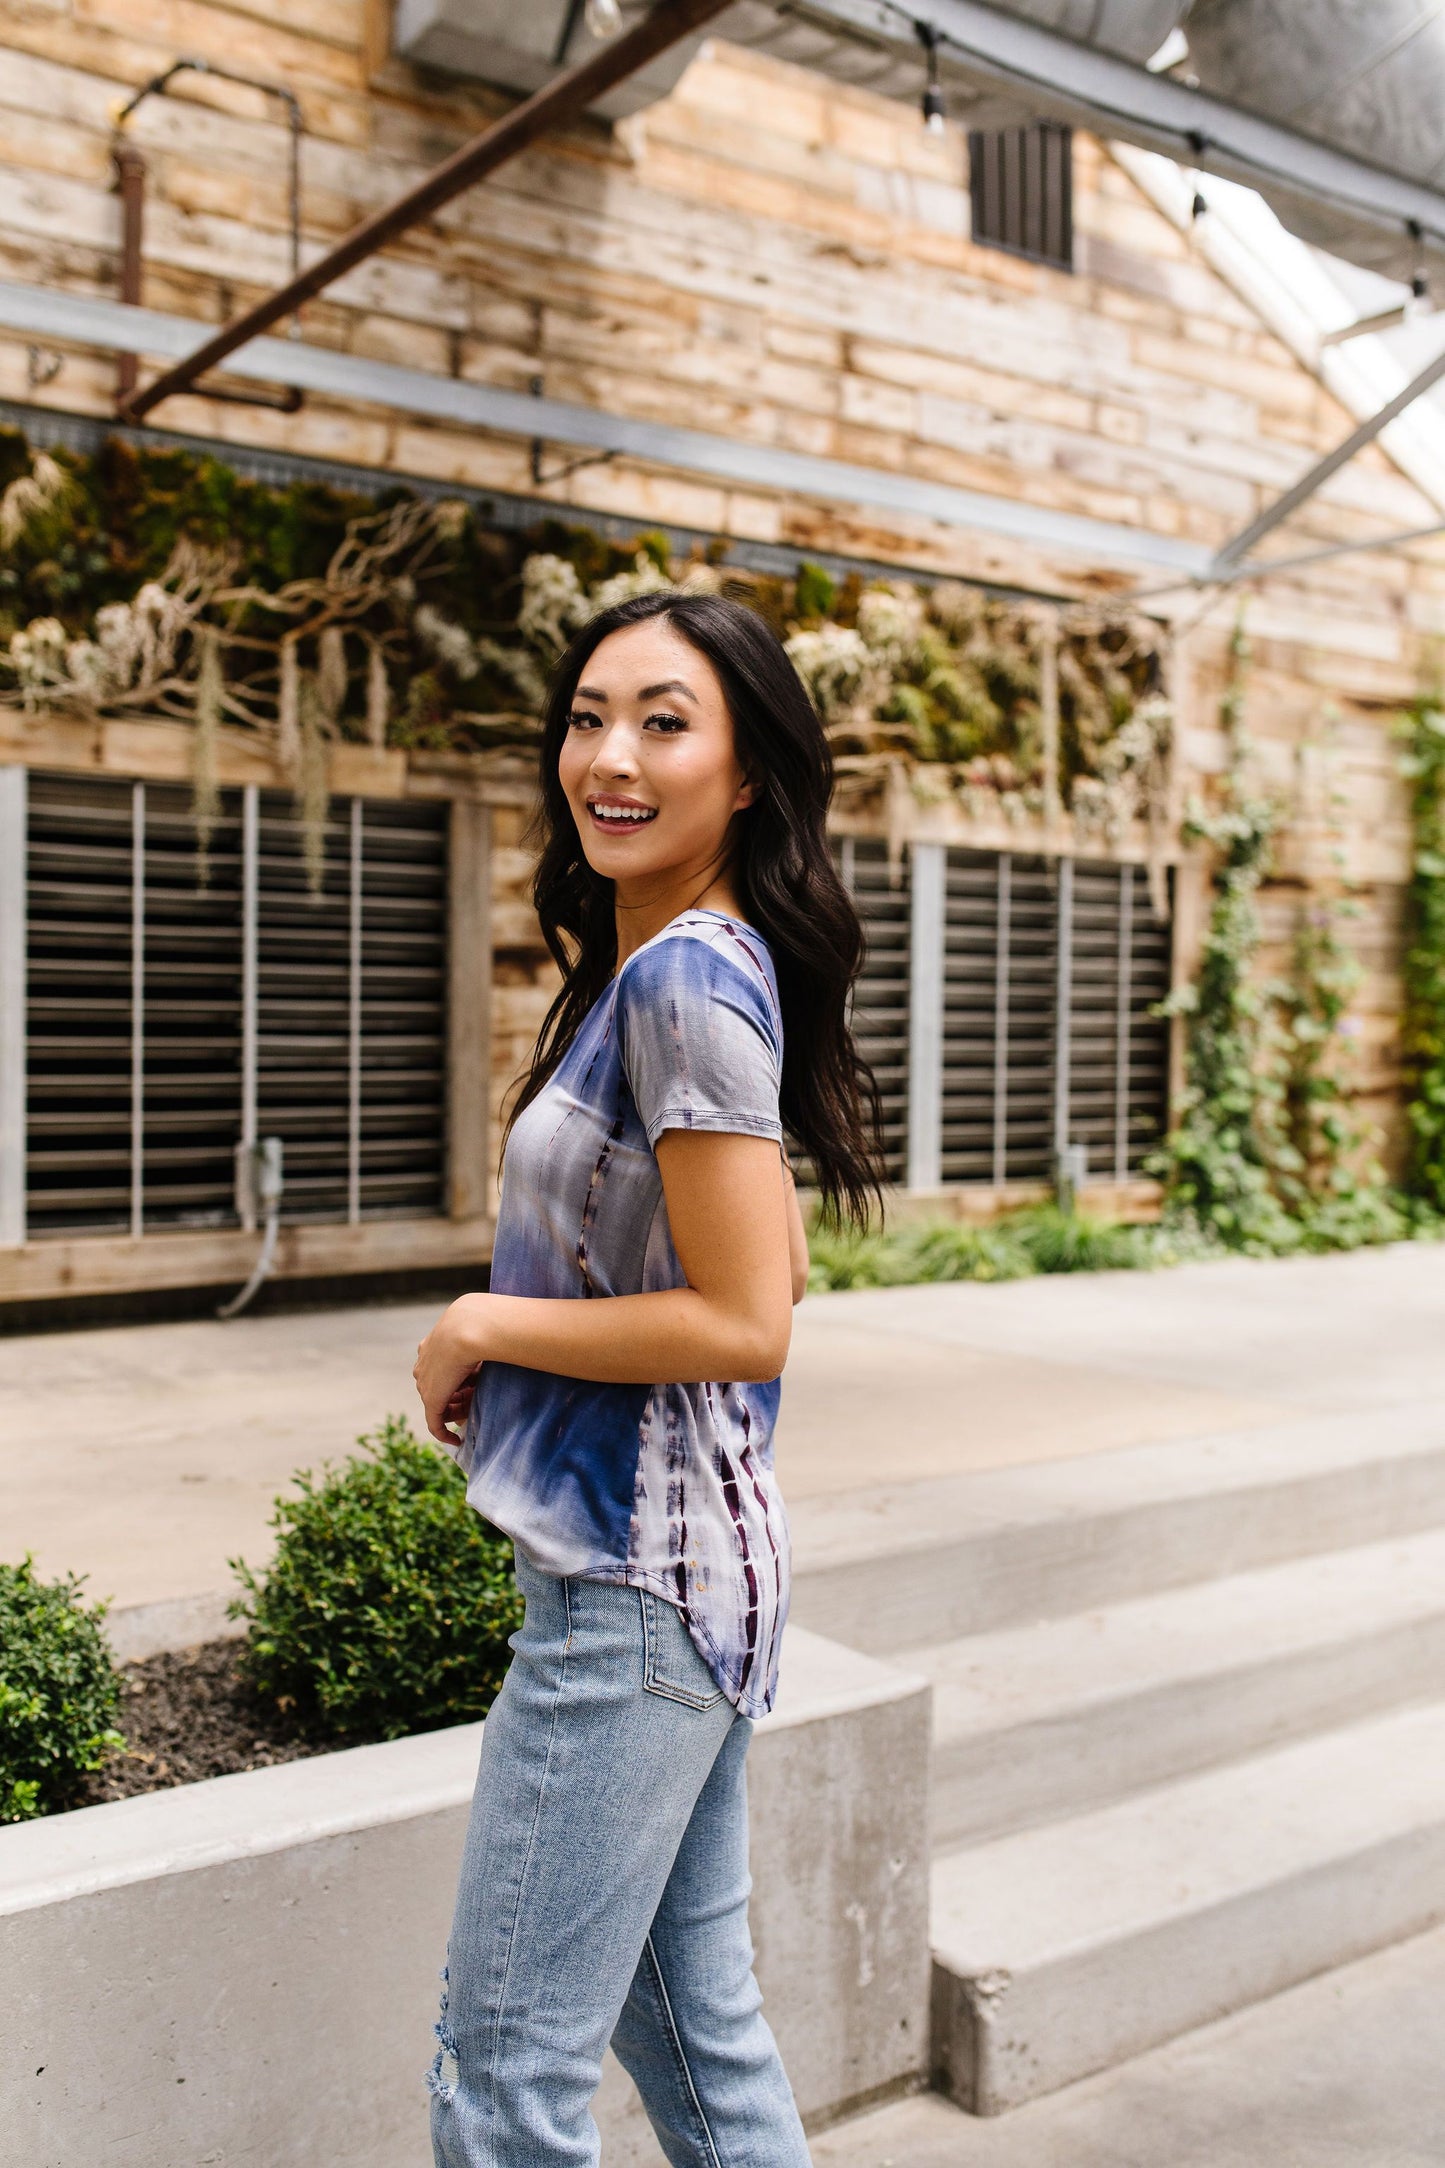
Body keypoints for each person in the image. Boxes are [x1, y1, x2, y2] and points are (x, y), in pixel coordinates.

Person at [413, 586, 881, 2168]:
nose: (609, 755)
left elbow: (750, 1317)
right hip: (685, 1579)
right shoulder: (686, 970)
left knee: (501, 2076)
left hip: (635, 1589)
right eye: (587, 716)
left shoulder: (686, 980)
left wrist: (490, 1325)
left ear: (745, 774)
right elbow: (775, 1264)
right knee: (691, 2036)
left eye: (663, 722)